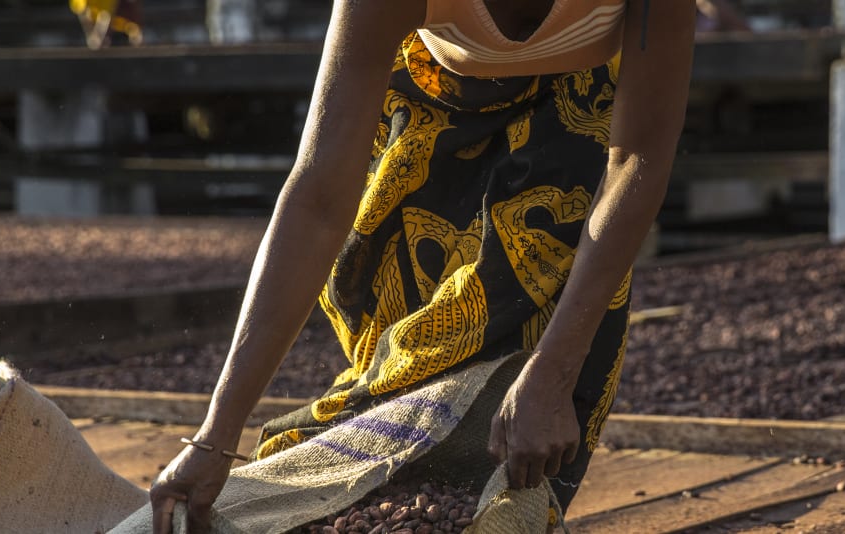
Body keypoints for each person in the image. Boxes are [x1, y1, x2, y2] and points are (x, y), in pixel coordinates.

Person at [145, 0, 695, 531]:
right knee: (408, 349)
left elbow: (636, 158)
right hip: (434, 126)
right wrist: (215, 436)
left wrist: (554, 370)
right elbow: (316, 199)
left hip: (575, 143)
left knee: (534, 379)